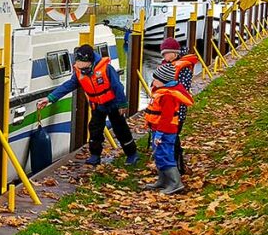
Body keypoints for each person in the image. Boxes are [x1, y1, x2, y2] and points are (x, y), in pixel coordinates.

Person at [38, 43, 139, 166]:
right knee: (94, 129)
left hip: (112, 104)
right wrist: (50, 98)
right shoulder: (79, 72)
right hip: (97, 105)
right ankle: (95, 155)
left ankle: (132, 154)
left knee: (120, 129)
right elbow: (68, 86)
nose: (80, 67)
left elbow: (117, 86)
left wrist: (122, 104)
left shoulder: (106, 69)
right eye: (78, 63)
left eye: (83, 64)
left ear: (90, 61)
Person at [143, 63, 194, 194]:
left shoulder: (168, 97)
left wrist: (160, 133)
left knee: (165, 155)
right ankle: (163, 180)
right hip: (158, 129)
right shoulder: (162, 92)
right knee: (159, 155)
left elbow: (166, 117)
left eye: (155, 79)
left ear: (163, 81)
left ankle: (175, 183)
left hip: (165, 131)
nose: (153, 81)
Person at [158, 37, 198, 174]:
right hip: (166, 108)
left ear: (174, 53)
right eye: (163, 54)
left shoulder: (184, 67)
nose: (164, 57)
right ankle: (173, 168)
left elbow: (183, 88)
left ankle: (176, 169)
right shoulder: (167, 64)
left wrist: (165, 87)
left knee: (172, 138)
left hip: (177, 110)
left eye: (166, 53)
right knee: (170, 138)